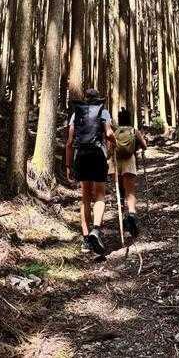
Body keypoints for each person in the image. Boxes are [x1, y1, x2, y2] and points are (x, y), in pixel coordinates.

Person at [66, 88, 116, 255]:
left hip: (81, 155)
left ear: (85, 99)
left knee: (85, 197)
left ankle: (86, 239)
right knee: (100, 194)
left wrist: (68, 165)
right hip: (97, 155)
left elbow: (69, 141)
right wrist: (114, 142)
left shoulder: (76, 114)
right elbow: (108, 133)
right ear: (98, 99)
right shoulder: (103, 112)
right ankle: (96, 229)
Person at [109, 107, 147, 239]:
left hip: (115, 164)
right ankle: (131, 214)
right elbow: (145, 146)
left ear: (119, 120)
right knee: (130, 192)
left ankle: (122, 217)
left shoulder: (115, 132)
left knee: (120, 191)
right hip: (129, 162)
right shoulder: (134, 131)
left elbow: (110, 150)